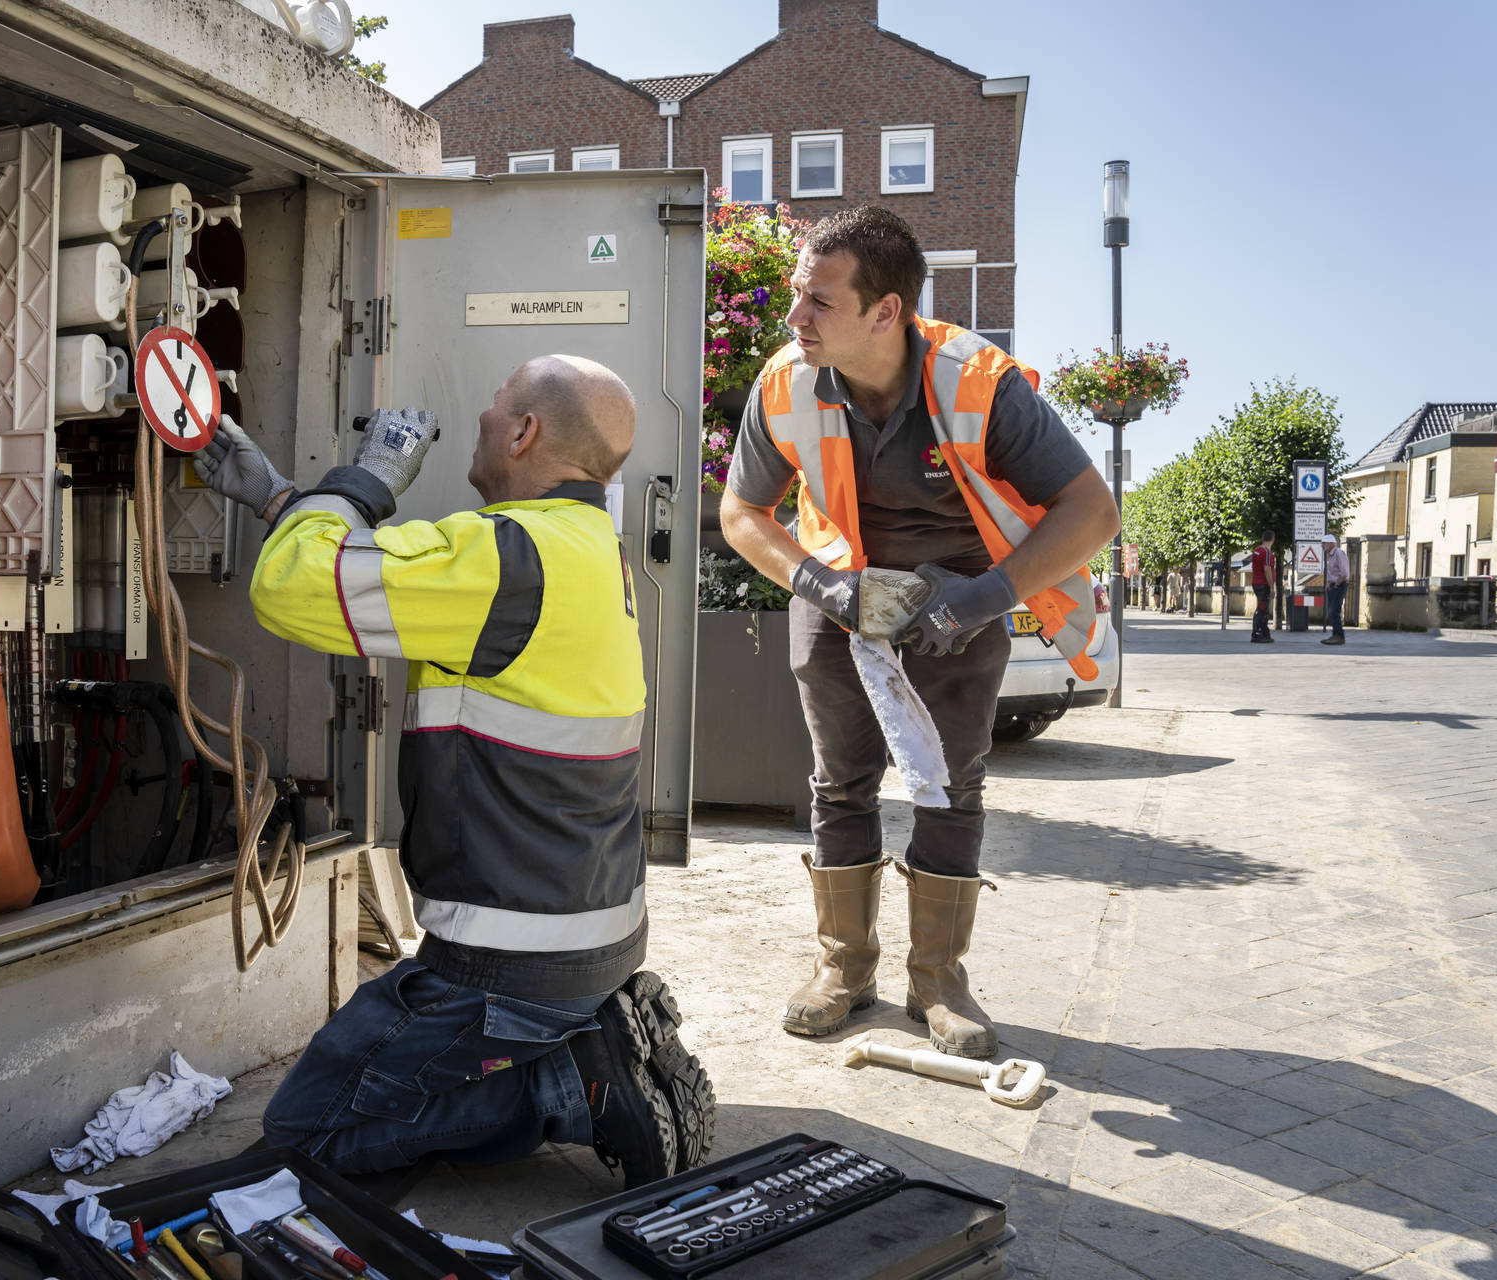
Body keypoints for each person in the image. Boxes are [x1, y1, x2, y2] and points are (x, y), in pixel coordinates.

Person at [191, 355, 713, 1188]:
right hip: (592, 933)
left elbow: (294, 588)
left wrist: (368, 477)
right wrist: (279, 497)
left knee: (303, 1137)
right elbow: (363, 573)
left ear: (524, 431)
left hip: (505, 961)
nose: (480, 413)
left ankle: (569, 1083)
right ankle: (583, 1043)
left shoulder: (503, 556)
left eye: (495, 399)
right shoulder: (579, 550)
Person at [719, 206, 1119, 1059]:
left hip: (956, 601)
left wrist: (981, 599)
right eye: (797, 296)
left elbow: (1092, 511)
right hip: (835, 597)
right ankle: (844, 969)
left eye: (818, 301)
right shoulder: (788, 380)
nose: (796, 319)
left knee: (951, 789)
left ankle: (938, 981)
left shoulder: (979, 382)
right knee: (840, 784)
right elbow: (741, 513)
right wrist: (822, 583)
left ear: (886, 311)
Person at [1321, 534, 1349, 645]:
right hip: (1333, 586)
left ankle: (1339, 636)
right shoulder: (1329, 555)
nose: (1322, 545)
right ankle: (1335, 635)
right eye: (1322, 543)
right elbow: (1331, 572)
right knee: (1332, 612)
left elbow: (1345, 573)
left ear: (1332, 543)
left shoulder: (1338, 553)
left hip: (1339, 585)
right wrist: (1329, 584)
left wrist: (1337, 584)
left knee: (1334, 611)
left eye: (1324, 543)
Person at [1251, 531, 1276, 643]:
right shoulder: (1267, 552)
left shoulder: (1256, 550)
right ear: (1272, 540)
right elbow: (1267, 569)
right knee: (1262, 610)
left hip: (1256, 583)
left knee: (1261, 608)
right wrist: (1272, 587)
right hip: (1263, 584)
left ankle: (1264, 633)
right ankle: (1258, 633)